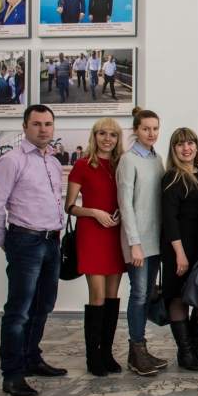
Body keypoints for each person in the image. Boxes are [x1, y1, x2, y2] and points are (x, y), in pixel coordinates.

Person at [0, 105, 67, 396]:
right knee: (18, 312)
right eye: (37, 124)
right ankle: (13, 375)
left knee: (43, 306)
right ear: (25, 127)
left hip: (51, 242)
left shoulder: (52, 162)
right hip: (26, 242)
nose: (43, 129)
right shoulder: (11, 161)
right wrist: (5, 241)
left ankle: (31, 358)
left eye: (48, 124)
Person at [64, 118, 126, 377]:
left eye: (113, 134)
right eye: (102, 133)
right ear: (95, 136)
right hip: (92, 234)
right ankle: (93, 357)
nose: (107, 139)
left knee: (112, 297)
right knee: (97, 297)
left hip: (115, 234)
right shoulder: (82, 165)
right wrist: (94, 212)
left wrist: (121, 214)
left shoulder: (121, 164)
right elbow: (69, 206)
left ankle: (106, 353)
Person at [116, 107, 167, 377]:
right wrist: (134, 243)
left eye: (155, 128)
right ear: (135, 130)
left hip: (156, 239)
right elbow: (125, 204)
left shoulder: (157, 159)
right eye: (146, 128)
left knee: (148, 294)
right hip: (138, 241)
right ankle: (136, 351)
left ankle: (142, 350)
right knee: (138, 294)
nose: (151, 133)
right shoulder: (128, 160)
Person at [160, 128, 198, 373]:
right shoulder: (172, 177)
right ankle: (185, 352)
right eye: (180, 144)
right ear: (174, 149)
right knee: (178, 296)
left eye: (190, 143)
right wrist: (179, 253)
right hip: (178, 246)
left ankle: (193, 345)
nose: (186, 148)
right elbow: (169, 218)